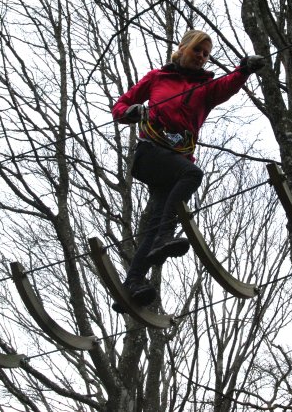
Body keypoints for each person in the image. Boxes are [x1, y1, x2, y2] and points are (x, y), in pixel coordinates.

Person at [111, 29, 264, 309]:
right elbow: (120, 105)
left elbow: (228, 84)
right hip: (150, 154)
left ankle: (133, 282)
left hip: (177, 157)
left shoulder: (205, 88)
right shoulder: (157, 78)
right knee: (192, 175)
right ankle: (164, 237)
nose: (202, 58)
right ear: (182, 48)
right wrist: (129, 112)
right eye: (197, 51)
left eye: (206, 54)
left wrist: (244, 69)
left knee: (158, 217)